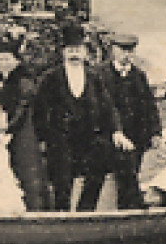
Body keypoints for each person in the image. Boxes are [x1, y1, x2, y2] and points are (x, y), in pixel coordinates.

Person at [33, 23, 130, 211]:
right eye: (70, 50)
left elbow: (109, 107)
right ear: (63, 53)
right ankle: (62, 217)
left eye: (78, 50)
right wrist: (43, 139)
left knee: (102, 161)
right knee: (62, 180)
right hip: (60, 140)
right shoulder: (50, 78)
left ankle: (86, 211)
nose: (74, 54)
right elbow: (39, 111)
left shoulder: (94, 77)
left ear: (85, 52)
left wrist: (117, 131)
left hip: (88, 137)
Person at [0, 35, 51, 211]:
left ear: (16, 61)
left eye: (7, 59)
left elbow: (23, 107)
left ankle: (36, 212)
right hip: (2, 133)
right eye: (0, 59)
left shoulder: (24, 81)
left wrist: (7, 128)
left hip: (23, 132)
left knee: (26, 173)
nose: (3, 63)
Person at [101, 33, 162, 210]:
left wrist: (156, 132)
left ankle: (127, 211)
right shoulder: (100, 74)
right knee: (120, 172)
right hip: (109, 135)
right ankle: (130, 207)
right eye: (122, 50)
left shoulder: (138, 76)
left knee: (131, 171)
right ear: (113, 50)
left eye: (130, 51)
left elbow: (150, 106)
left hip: (136, 136)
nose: (127, 55)